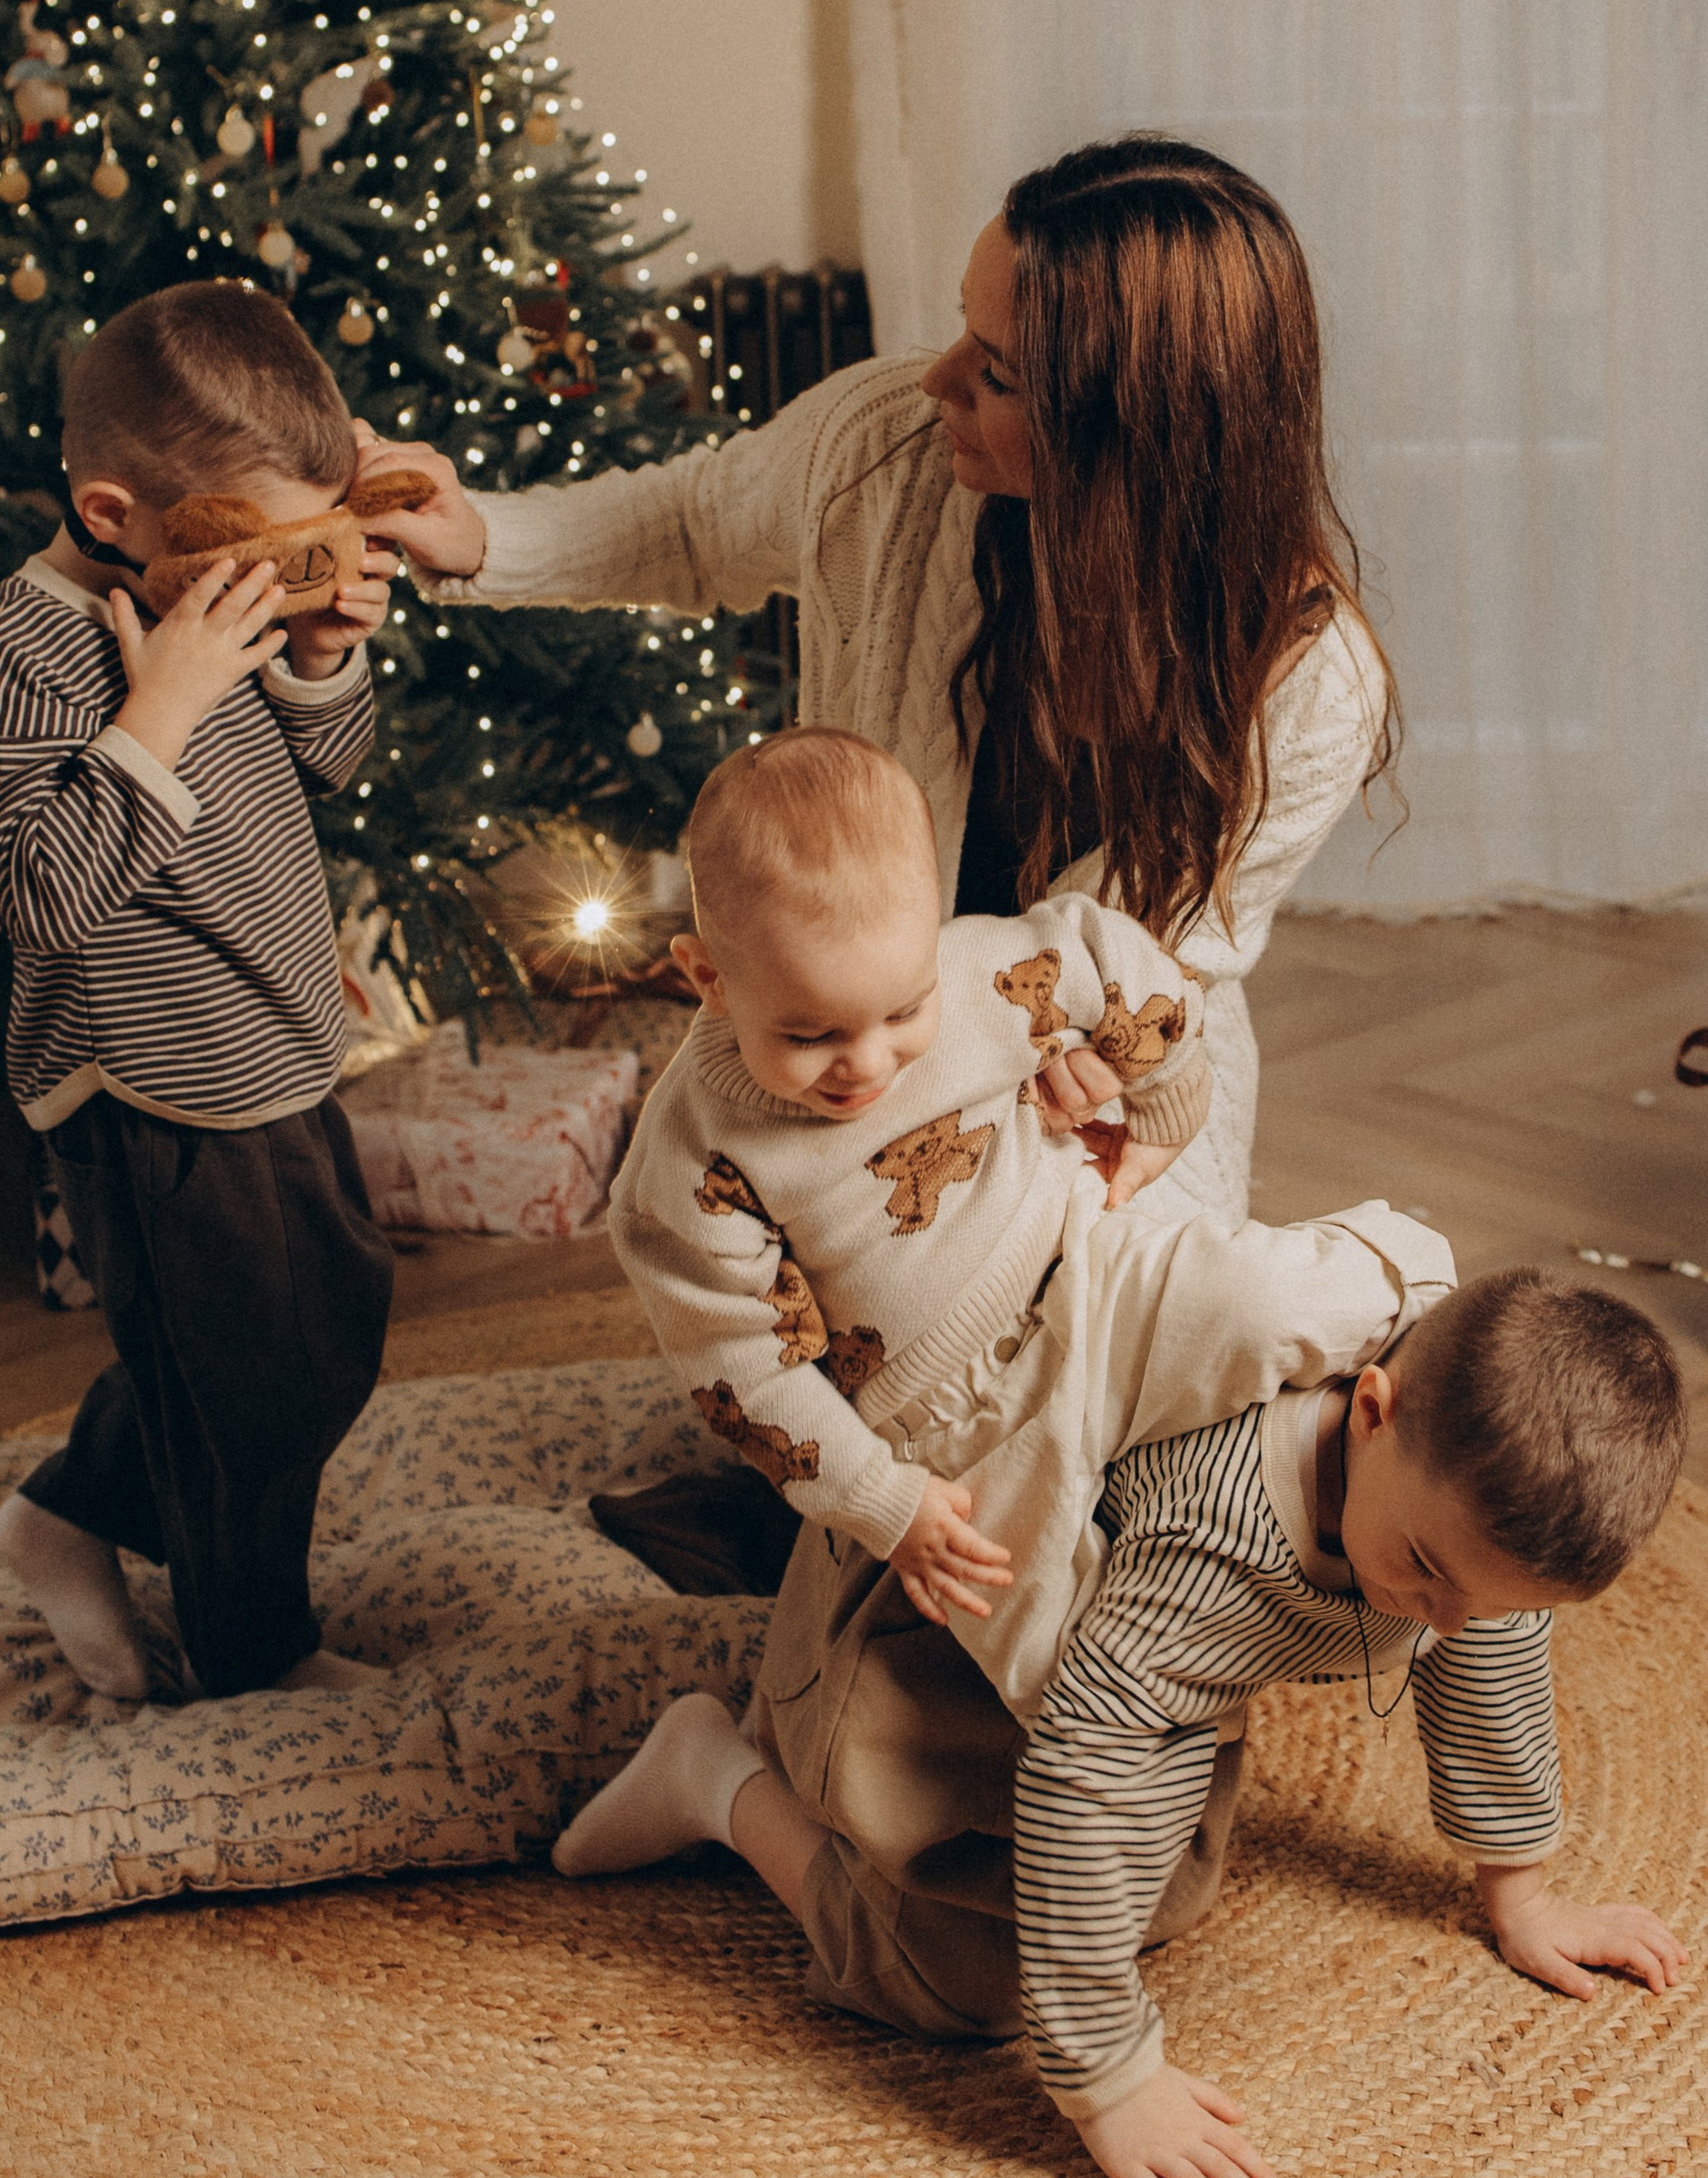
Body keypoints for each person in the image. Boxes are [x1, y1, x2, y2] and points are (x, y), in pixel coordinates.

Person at [358, 137, 1395, 1224]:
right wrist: (481, 536)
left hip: (1100, 1088)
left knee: (1118, 1357)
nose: (936, 376)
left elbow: (1128, 971)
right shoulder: (886, 445)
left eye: (995, 372)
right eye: (963, 324)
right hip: (850, 1048)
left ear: (1128, 435)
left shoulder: (1313, 685)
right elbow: (691, 523)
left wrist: (1093, 1045)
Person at [553, 1268, 1693, 2178]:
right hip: (930, 1634)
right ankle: (717, 1776)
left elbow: (1488, 1650)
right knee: (958, 1981)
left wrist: (1521, 1892)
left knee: (1163, 1894)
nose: (1437, 1623)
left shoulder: (1452, 1507)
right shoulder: (1213, 1536)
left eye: (1473, 1603)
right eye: (1425, 1574)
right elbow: (1082, 1769)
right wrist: (1108, 2078)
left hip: (1122, 1670)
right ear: (1372, 1410)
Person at [604, 724, 1451, 1711]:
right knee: (1063, 1672)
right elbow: (742, 1376)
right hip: (948, 1427)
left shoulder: (978, 976)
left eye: (900, 1012)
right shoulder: (689, 1166)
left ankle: (1437, 1307)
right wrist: (886, 1504)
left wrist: (1165, 1105)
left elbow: (1115, 960)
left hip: (1086, 1262)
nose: (868, 1065)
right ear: (706, 976)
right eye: (809, 1034)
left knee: (1277, 1295)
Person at [0, 282, 399, 1704]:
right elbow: (37, 891)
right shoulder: (18, 656)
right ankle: (256, 1651)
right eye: (254, 550)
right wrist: (161, 708)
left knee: (325, 1328)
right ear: (116, 508)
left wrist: (321, 659)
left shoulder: (203, 592)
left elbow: (332, 767)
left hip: (274, 1038)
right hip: (149, 1083)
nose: (276, 578)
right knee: (254, 1391)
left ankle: (69, 1509)